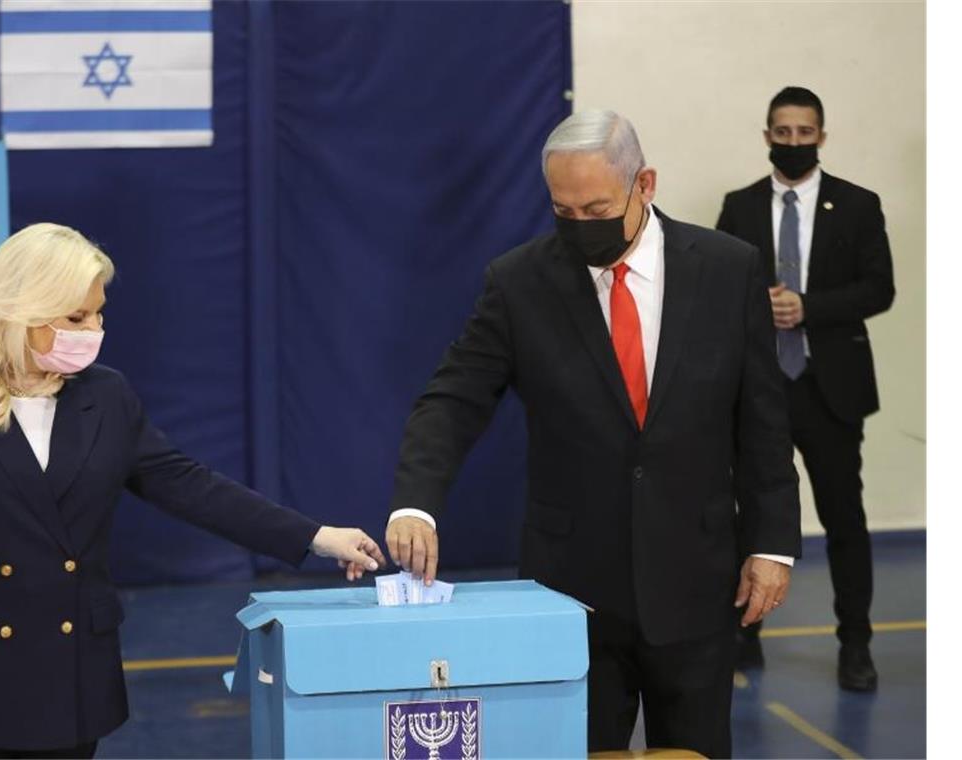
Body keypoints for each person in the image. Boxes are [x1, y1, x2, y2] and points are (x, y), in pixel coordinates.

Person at [384, 110, 801, 757]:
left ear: (645, 185)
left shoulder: (727, 269)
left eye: (597, 209)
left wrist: (772, 543)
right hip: (571, 588)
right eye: (564, 211)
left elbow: (762, 418)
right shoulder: (520, 282)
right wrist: (416, 502)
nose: (581, 225)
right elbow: (453, 400)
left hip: (697, 579)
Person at [0, 223, 386, 759]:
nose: (93, 330)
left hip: (68, 675)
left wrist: (316, 536)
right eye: (76, 318)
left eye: (98, 315)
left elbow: (190, 486)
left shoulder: (106, 396)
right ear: (21, 309)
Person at [716, 87, 895, 692]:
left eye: (805, 132)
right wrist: (755, 305)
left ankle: (855, 643)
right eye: (783, 132)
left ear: (822, 135)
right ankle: (745, 632)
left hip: (829, 389)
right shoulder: (739, 206)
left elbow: (879, 288)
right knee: (749, 515)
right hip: (759, 389)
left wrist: (808, 308)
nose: (793, 142)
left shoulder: (858, 204)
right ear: (767, 135)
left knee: (844, 518)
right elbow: (714, 289)